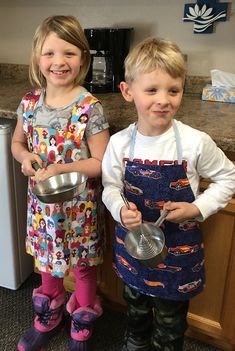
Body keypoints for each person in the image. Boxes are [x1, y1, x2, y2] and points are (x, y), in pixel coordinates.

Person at [101, 37, 235, 351]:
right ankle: (135, 341)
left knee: (171, 319)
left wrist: (197, 208)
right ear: (127, 91)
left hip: (179, 250)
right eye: (152, 90)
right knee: (135, 305)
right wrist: (120, 210)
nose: (163, 100)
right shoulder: (120, 143)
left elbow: (228, 178)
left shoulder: (194, 142)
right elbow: (110, 187)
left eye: (173, 90)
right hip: (134, 247)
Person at [11, 15, 110, 351]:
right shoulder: (28, 103)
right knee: (46, 266)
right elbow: (17, 144)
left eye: (68, 53)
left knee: (82, 268)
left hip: (79, 208)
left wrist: (59, 168)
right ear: (38, 58)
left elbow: (100, 162)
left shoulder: (89, 108)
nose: (59, 62)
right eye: (50, 53)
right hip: (42, 209)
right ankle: (47, 316)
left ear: (83, 58)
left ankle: (81, 326)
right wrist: (25, 158)